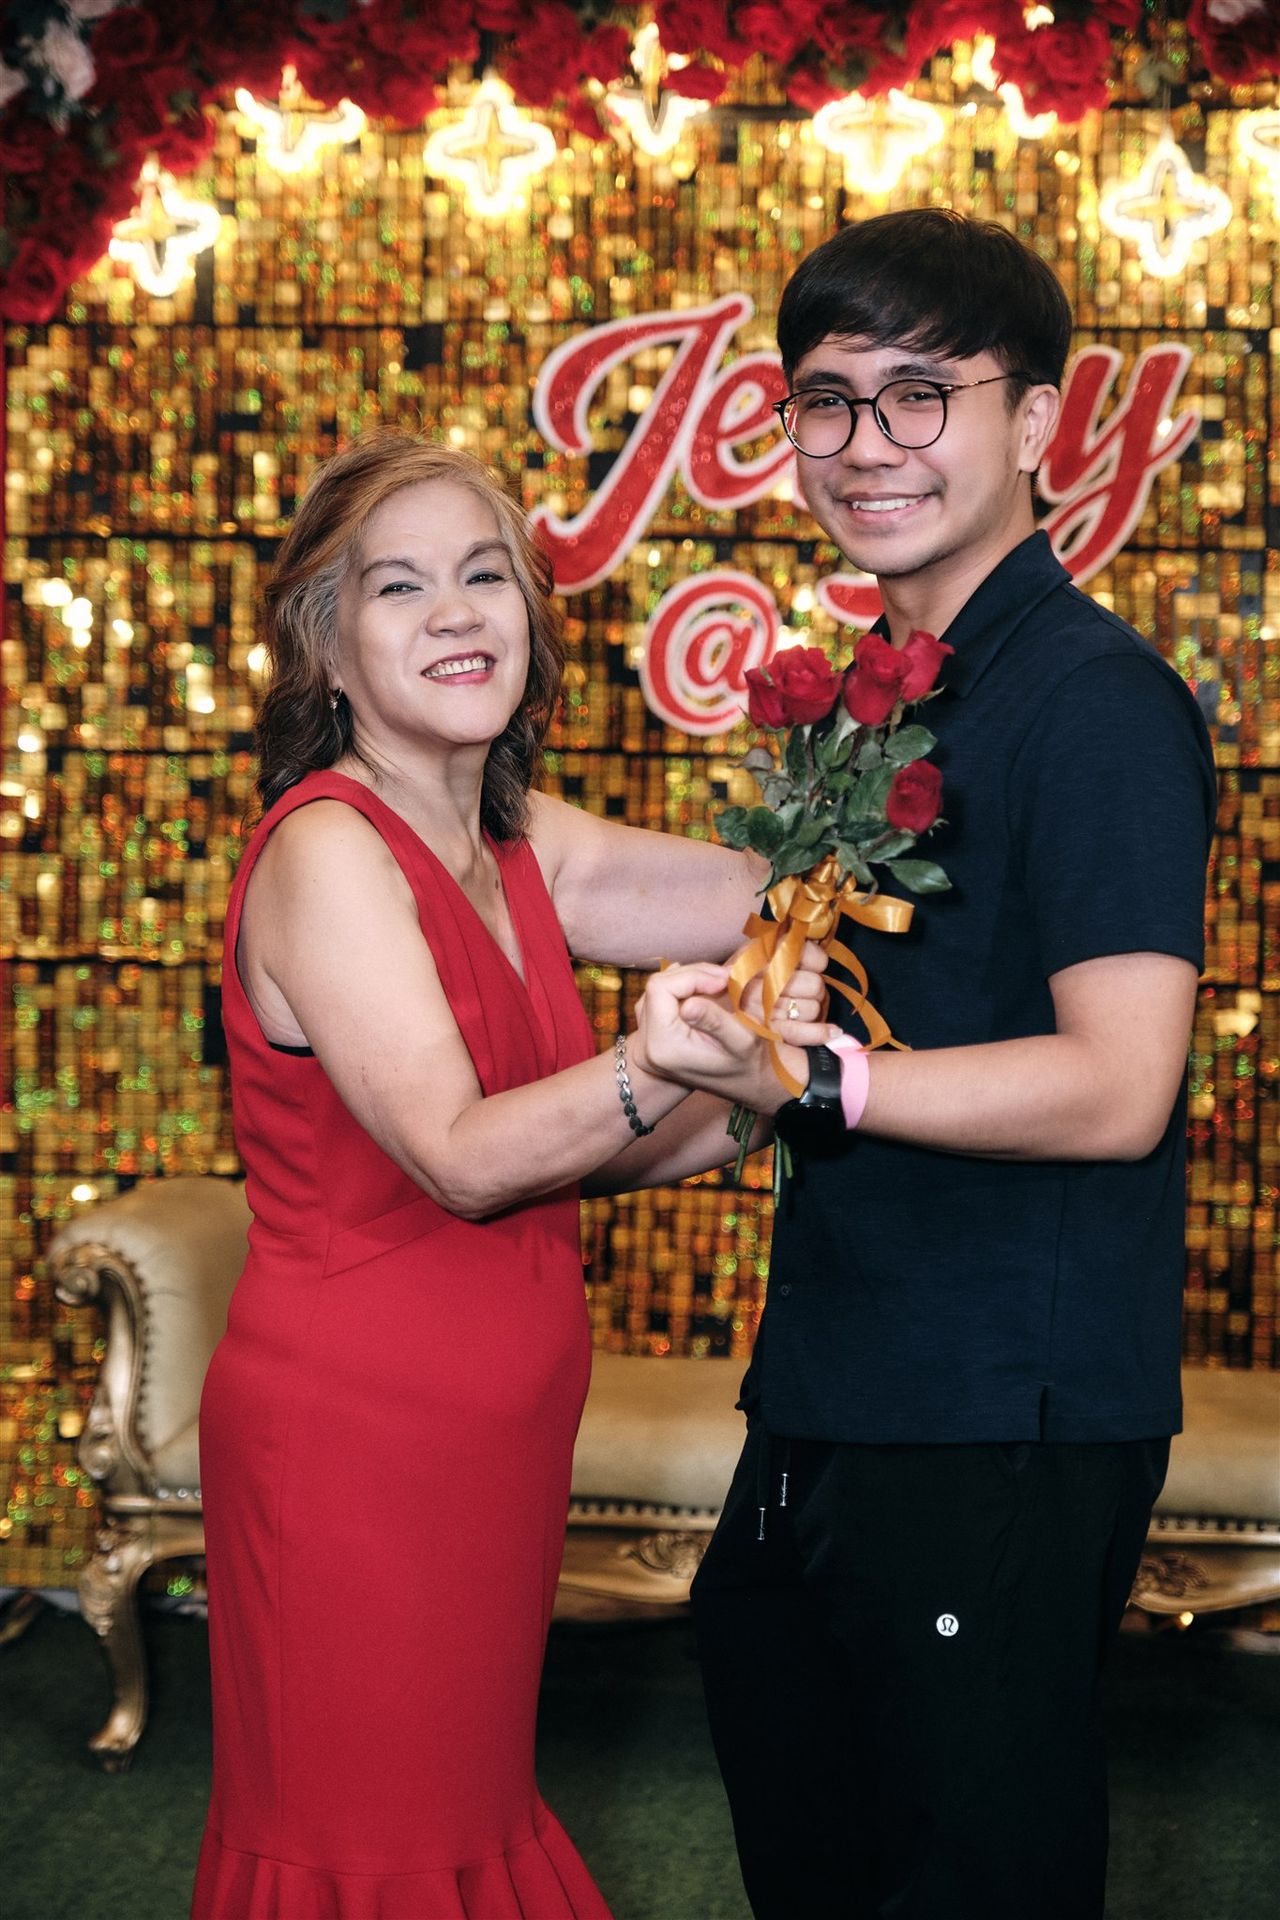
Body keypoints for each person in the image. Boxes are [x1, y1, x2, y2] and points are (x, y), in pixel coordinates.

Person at [637, 208, 1217, 1920]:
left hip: (996, 1410)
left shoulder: (1094, 701)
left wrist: (818, 1087)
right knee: (816, 1845)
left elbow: (1121, 1085)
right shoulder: (887, 704)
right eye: (828, 400)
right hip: (842, 1377)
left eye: (919, 396)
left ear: (1034, 422)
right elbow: (755, 954)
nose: (866, 444)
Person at [191, 432, 827, 1919]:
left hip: (494, 1440)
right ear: (326, 647)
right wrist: (654, 1058)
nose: (456, 613)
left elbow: (784, 899)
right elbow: (465, 1158)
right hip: (354, 1447)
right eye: (399, 586)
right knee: (372, 1848)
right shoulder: (327, 851)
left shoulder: (522, 844)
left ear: (532, 619)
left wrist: (769, 1084)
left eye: (485, 576)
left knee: (459, 1816)